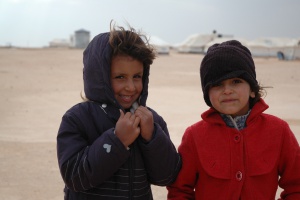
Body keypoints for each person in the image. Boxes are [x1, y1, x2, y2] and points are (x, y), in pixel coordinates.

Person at [56, 22, 181, 200]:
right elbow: (74, 177)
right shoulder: (77, 119)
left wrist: (152, 137)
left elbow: (167, 176)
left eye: (137, 77)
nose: (130, 87)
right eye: (120, 77)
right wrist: (117, 140)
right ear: (99, 77)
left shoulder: (151, 120)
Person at [167, 40, 300, 199]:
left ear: (252, 89)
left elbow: (296, 186)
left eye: (236, 81)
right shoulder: (194, 136)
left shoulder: (279, 131)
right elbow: (179, 191)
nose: (227, 91)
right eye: (217, 84)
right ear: (208, 95)